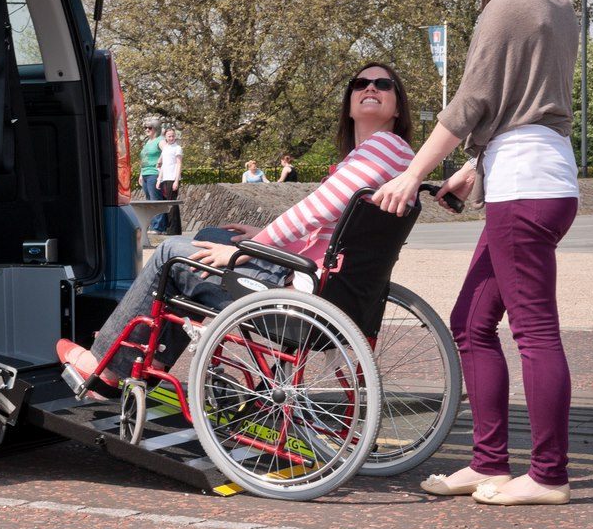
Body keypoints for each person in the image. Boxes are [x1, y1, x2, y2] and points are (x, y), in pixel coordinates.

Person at [370, 0, 580, 507]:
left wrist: (411, 174)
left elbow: (470, 106)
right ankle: (489, 464)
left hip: (523, 188)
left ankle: (547, 476)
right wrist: (474, 169)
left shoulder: (507, 8)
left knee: (535, 331)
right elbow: (527, 108)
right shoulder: (560, 7)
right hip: (541, 177)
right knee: (471, 323)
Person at [59, 64, 415, 396]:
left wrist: (249, 249)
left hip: (306, 292)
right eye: (361, 84)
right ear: (349, 105)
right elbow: (331, 226)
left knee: (171, 256)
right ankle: (151, 361)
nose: (370, 87)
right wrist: (257, 233)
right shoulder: (384, 155)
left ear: (397, 108)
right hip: (321, 282)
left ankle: (105, 364)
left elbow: (316, 210)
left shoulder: (383, 148)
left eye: (382, 85)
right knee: (214, 236)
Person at [152, 127, 184, 234]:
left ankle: (174, 230)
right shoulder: (165, 149)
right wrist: (159, 179)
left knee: (172, 203)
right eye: (169, 136)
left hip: (172, 178)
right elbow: (163, 165)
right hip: (165, 178)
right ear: (165, 137)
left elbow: (179, 164)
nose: (171, 138)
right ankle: (169, 228)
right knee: (167, 203)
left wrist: (176, 181)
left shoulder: (178, 148)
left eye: (173, 136)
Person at [138, 121, 162, 201]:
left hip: (154, 174)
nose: (147, 130)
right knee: (149, 202)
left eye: (150, 128)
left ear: (156, 128)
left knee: (155, 202)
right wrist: (141, 174)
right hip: (145, 174)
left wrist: (160, 159)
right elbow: (144, 159)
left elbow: (167, 151)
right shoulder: (147, 142)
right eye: (145, 128)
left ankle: (160, 214)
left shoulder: (160, 140)